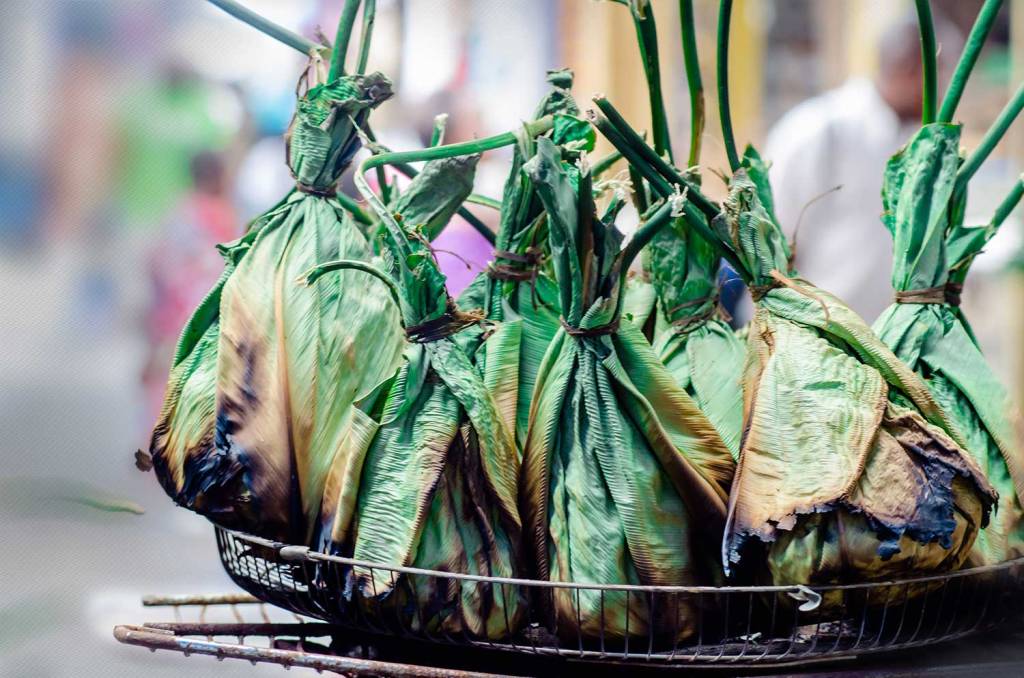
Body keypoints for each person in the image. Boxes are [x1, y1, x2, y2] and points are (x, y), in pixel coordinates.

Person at [764, 14, 962, 322]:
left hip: (887, 334)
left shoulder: (922, 143)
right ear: (911, 69)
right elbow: (771, 243)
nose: (944, 93)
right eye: (942, 77)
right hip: (813, 330)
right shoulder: (819, 131)